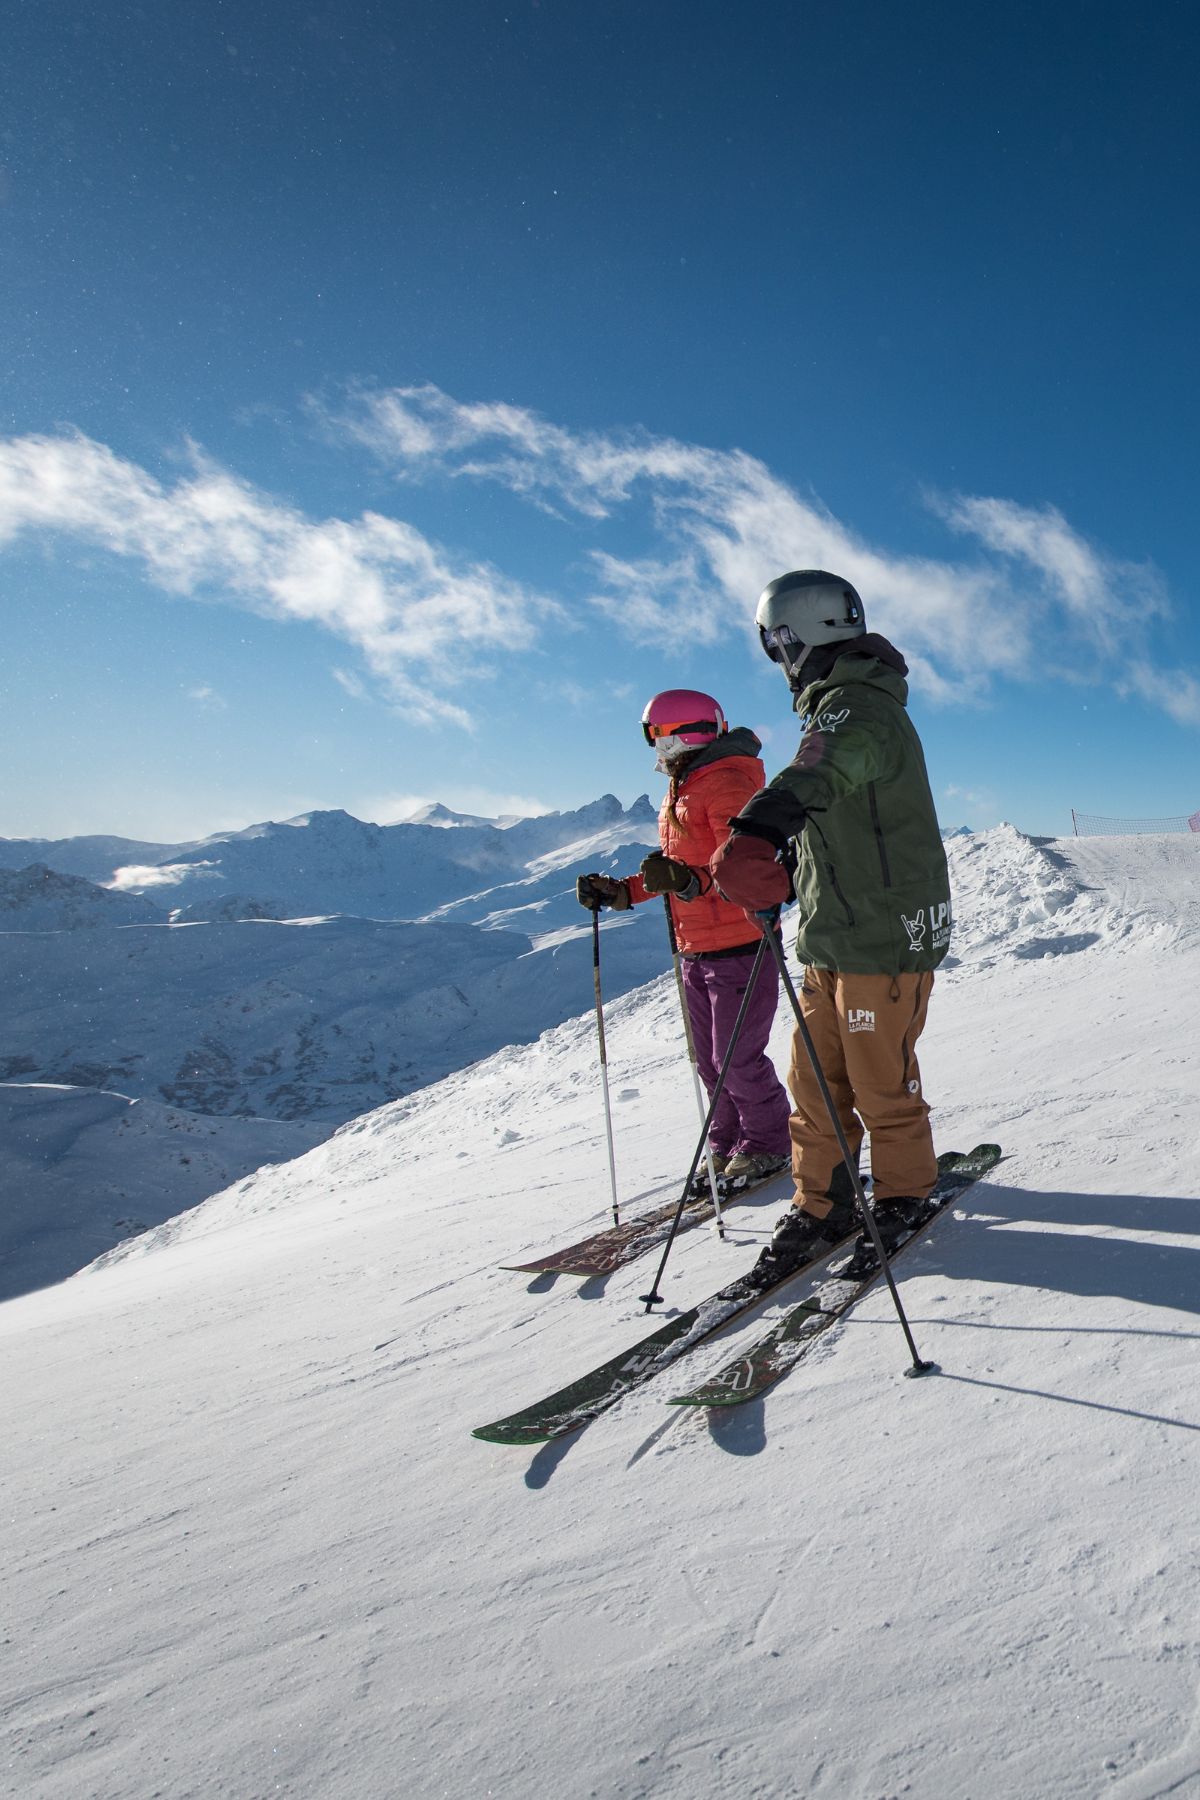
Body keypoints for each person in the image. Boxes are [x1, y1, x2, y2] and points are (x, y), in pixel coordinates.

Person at [710, 570, 952, 1285]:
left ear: (793, 636)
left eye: (772, 643)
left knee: (881, 1083)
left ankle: (903, 1193)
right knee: (815, 1085)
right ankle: (825, 1202)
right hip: (831, 937)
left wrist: (761, 824)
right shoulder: (836, 708)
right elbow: (836, 803)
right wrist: (789, 849)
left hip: (882, 938)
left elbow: (824, 770)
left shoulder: (857, 708)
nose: (775, 657)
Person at [576, 689, 792, 1187]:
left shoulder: (727, 785)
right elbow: (674, 870)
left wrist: (691, 883)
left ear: (682, 735)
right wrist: (622, 892)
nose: (655, 749)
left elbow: (741, 862)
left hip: (742, 944)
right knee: (709, 1061)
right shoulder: (687, 786)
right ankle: (730, 1142)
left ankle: (768, 1143)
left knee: (737, 1059)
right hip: (696, 947)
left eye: (657, 737)